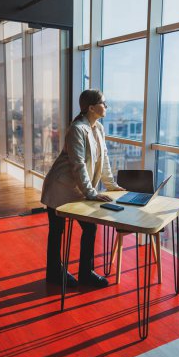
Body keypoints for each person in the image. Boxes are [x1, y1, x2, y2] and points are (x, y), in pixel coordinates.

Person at [41, 89, 124, 288]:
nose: (107, 106)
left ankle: (85, 273)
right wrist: (91, 193)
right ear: (91, 107)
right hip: (60, 187)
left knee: (89, 226)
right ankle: (54, 273)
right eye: (104, 102)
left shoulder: (99, 128)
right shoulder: (76, 129)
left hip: (77, 189)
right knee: (57, 230)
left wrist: (112, 185)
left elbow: (103, 161)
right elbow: (78, 164)